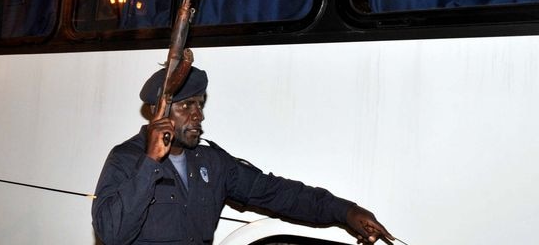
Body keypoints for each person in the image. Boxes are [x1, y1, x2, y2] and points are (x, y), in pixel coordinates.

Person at [92, 65, 395, 245]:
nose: (198, 116)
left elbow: (277, 193)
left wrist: (345, 211)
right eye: (187, 106)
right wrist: (151, 162)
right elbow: (112, 233)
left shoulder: (210, 162)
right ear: (159, 113)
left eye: (200, 105)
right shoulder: (127, 159)